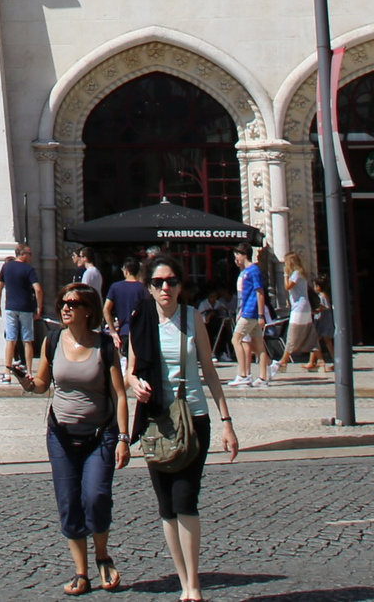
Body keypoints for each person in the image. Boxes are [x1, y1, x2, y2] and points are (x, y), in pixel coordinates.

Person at [131, 255, 239, 602]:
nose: (166, 288)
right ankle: (182, 581)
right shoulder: (140, 320)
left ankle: (194, 584)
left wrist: (227, 422)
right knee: (166, 505)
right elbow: (131, 369)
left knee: (185, 499)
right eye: (159, 282)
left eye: (172, 281)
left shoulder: (193, 318)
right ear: (148, 287)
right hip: (157, 420)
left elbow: (208, 370)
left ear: (181, 286)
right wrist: (135, 384)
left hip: (194, 419)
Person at [25, 281, 134, 595]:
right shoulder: (53, 341)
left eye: (73, 303)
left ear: (89, 311)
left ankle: (102, 555)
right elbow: (42, 384)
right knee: (69, 502)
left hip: (100, 435)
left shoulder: (105, 346)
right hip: (60, 435)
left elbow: (119, 394)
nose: (65, 308)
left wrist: (124, 438)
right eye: (63, 302)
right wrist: (27, 382)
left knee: (96, 496)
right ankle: (81, 572)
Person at [0, 242, 43, 383]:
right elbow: (38, 289)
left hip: (10, 307)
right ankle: (29, 372)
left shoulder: (6, 266)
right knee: (27, 340)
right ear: (22, 254)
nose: (31, 256)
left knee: (10, 340)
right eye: (29, 254)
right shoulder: (28, 269)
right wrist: (39, 308)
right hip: (26, 308)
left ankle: (7, 373)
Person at [273, 252, 315, 378]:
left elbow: (287, 286)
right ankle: (318, 361)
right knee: (309, 333)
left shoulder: (296, 274)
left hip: (299, 309)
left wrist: (285, 274)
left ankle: (284, 360)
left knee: (292, 333)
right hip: (303, 307)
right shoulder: (301, 273)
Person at [227, 247, 265, 386]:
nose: (236, 258)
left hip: (250, 312)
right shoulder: (245, 272)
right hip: (248, 311)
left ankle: (243, 374)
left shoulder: (253, 271)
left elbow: (259, 292)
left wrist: (261, 314)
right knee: (258, 344)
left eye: (237, 254)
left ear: (244, 255)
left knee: (236, 339)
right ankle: (263, 377)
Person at [104, 258, 147, 351]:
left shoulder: (115, 287)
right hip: (141, 332)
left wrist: (112, 331)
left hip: (123, 331)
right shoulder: (143, 288)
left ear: (126, 271)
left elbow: (106, 309)